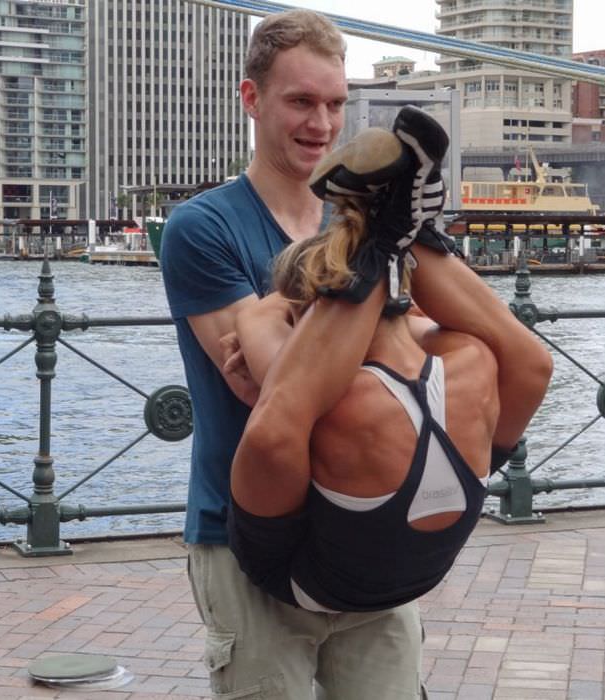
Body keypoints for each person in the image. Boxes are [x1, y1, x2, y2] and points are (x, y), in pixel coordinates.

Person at [161, 9, 428, 699]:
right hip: (243, 534)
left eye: (335, 104)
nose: (322, 123)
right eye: (301, 102)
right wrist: (370, 326)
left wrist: (292, 331)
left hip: (369, 524)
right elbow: (273, 393)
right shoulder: (202, 227)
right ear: (251, 99)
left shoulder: (367, 223)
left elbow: (413, 360)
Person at [226, 125, 554, 615]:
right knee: (529, 362)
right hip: (425, 563)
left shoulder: (340, 410)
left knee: (280, 410)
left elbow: (265, 340)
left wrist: (308, 297)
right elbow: (532, 363)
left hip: (306, 580)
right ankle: (405, 236)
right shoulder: (471, 359)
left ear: (309, 313)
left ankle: (385, 240)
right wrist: (378, 253)